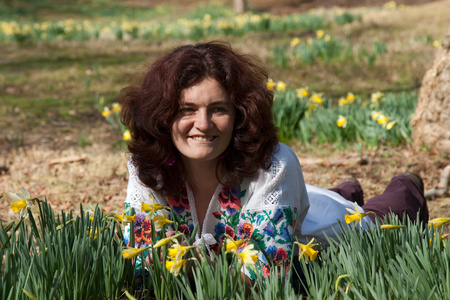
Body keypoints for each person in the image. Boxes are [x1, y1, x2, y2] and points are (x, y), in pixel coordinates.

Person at [119, 41, 428, 281]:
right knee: (316, 199)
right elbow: (140, 264)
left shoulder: (275, 164)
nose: (203, 124)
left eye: (218, 109)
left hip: (328, 233)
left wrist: (197, 269)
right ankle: (342, 191)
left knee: (377, 216)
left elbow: (266, 277)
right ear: (162, 116)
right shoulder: (148, 167)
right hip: (286, 203)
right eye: (187, 110)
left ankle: (403, 186)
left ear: (240, 114)